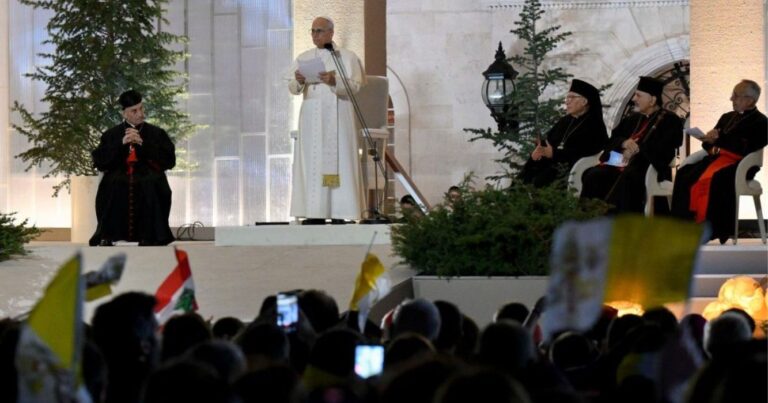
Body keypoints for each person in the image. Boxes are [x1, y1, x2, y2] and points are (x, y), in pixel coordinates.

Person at [286, 16, 366, 225]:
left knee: (340, 160)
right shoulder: (304, 57)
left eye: (319, 31)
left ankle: (340, 211)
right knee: (312, 161)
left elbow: (356, 87)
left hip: (338, 114)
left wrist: (334, 80)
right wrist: (298, 81)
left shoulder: (347, 57)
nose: (315, 35)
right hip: (311, 117)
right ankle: (315, 212)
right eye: (312, 31)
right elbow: (292, 88)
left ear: (331, 32)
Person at [671, 80, 767, 243]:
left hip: (740, 165)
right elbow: (709, 144)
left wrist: (719, 140)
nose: (731, 99)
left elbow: (745, 148)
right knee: (684, 174)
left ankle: (709, 229)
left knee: (716, 179)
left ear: (750, 100)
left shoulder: (761, 122)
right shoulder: (727, 117)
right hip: (716, 159)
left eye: (736, 95)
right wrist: (708, 139)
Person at [580, 76, 683, 213]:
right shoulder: (632, 119)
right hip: (620, 162)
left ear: (652, 100)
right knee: (593, 174)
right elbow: (611, 140)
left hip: (645, 166)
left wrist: (638, 150)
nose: (634, 99)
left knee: (628, 178)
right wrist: (623, 143)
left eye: (638, 95)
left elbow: (665, 149)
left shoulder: (670, 120)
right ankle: (588, 218)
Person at [89, 90, 176, 246]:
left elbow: (169, 161)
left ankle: (150, 235)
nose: (140, 114)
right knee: (113, 184)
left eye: (141, 108)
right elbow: (100, 161)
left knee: (150, 184)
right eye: (134, 111)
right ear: (124, 113)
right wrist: (121, 143)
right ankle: (108, 234)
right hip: (118, 174)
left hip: (148, 174)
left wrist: (143, 143)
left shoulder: (157, 133)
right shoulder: (111, 134)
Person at [520, 79, 609, 187]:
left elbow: (584, 153)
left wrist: (554, 153)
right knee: (524, 177)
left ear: (584, 102)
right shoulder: (565, 121)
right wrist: (538, 152)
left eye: (571, 97)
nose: (567, 101)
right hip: (551, 164)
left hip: (570, 172)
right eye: (567, 97)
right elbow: (548, 142)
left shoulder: (594, 125)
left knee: (540, 181)